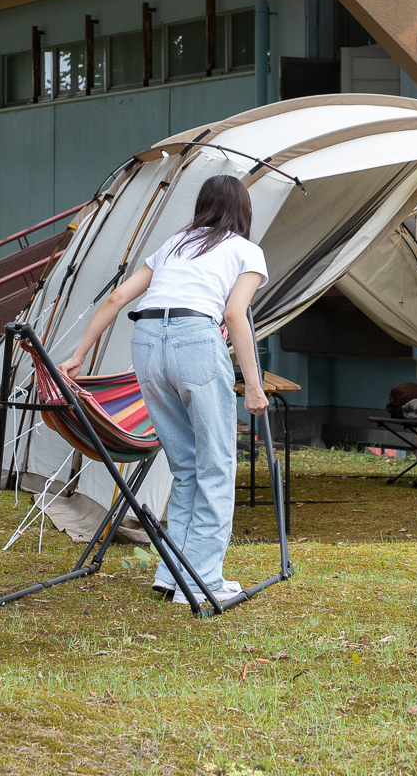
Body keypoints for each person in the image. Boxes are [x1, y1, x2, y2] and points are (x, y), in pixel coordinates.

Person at [60, 175, 269, 606]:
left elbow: (119, 297)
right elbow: (234, 312)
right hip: (195, 338)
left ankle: (173, 574)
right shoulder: (246, 250)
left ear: (202, 205)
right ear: (244, 210)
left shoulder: (174, 244)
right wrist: (253, 385)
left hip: (147, 341)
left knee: (187, 467)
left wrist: (78, 354)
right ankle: (201, 581)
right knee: (215, 465)